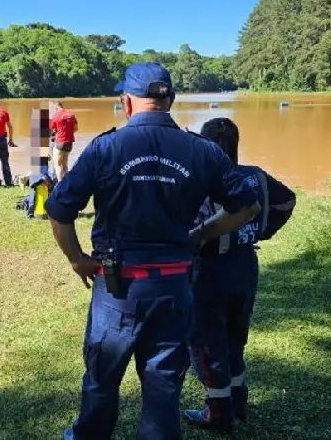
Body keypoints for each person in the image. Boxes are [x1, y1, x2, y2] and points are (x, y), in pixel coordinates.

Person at [45, 62, 261, 440]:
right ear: (171, 101)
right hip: (176, 288)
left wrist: (77, 258)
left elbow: (59, 209)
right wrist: (202, 233)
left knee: (101, 379)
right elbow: (248, 206)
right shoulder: (203, 150)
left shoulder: (105, 147)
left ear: (126, 102)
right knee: (163, 386)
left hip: (118, 290)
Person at [184, 117, 296, 434]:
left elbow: (183, 226)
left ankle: (219, 414)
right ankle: (238, 402)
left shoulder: (200, 181)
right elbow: (287, 200)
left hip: (209, 272)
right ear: (236, 144)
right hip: (245, 268)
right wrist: (262, 229)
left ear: (202, 145)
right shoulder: (253, 176)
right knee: (235, 337)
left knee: (207, 344)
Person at [49, 101, 78, 181]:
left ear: (56, 107)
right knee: (65, 165)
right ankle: (66, 184)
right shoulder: (71, 115)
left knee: (57, 165)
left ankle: (60, 185)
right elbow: (76, 129)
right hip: (69, 143)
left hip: (60, 143)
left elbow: (51, 130)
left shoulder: (56, 116)